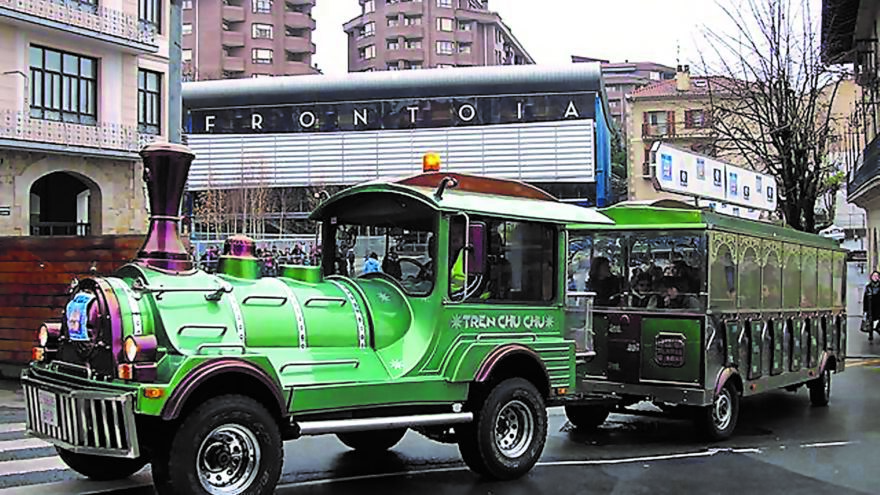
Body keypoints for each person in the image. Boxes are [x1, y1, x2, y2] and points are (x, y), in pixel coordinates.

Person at [863, 271, 880, 342]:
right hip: (871, 307)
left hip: (879, 306)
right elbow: (865, 298)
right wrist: (865, 309)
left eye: (877, 276)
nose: (875, 277)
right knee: (870, 320)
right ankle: (870, 334)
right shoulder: (868, 287)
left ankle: (878, 329)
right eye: (874, 276)